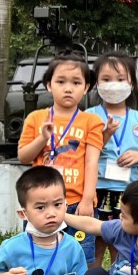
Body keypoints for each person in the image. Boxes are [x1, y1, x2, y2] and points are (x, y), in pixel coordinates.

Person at [17, 53, 105, 253]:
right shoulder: (36, 118)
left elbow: (92, 162)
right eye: (60, 81)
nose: (68, 88)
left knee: (80, 255)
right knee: (39, 253)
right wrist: (42, 138)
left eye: (76, 82)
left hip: (76, 203)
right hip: (41, 203)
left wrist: (87, 200)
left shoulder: (91, 122)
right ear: (49, 85)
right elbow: (23, 157)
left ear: (86, 87)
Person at [89, 52, 138, 266]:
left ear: (132, 83)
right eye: (106, 79)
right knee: (96, 242)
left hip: (128, 192)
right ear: (96, 83)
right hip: (96, 190)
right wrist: (105, 136)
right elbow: (84, 153)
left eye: (120, 79)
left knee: (123, 242)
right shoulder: (89, 116)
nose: (113, 85)